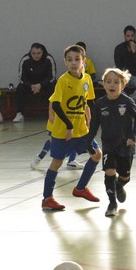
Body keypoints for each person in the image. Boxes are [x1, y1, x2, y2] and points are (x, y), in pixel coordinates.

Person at [41, 45, 102, 211]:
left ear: (84, 61)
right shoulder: (63, 81)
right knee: (57, 163)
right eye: (69, 60)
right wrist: (69, 125)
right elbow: (55, 104)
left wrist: (93, 120)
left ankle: (80, 188)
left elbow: (89, 102)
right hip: (63, 132)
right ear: (65, 62)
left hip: (81, 130)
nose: (73, 63)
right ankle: (47, 199)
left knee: (97, 154)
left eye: (77, 59)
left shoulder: (87, 79)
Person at [87, 68, 136, 217]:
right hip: (109, 145)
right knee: (109, 171)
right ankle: (112, 204)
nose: (112, 84)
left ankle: (119, 185)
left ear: (122, 86)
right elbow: (94, 125)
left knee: (125, 176)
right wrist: (88, 140)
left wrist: (132, 136)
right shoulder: (100, 104)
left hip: (125, 146)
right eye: (109, 81)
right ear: (104, 84)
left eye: (116, 82)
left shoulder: (127, 101)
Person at [30, 103, 84, 170]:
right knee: (51, 141)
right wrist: (58, 125)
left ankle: (71, 161)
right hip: (57, 124)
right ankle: (39, 158)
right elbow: (51, 116)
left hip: (70, 122)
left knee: (74, 140)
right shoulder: (56, 98)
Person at [13, 43, 56, 123]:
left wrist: (41, 85)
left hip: (45, 85)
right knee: (20, 88)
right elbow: (22, 78)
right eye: (34, 53)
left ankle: (54, 113)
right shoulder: (25, 60)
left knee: (54, 86)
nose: (36, 55)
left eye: (38, 53)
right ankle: (19, 113)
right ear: (30, 52)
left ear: (42, 52)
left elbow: (52, 77)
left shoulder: (49, 59)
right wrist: (31, 85)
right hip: (30, 86)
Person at [114, 25, 136, 102]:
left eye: (132, 36)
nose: (130, 38)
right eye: (128, 36)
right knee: (116, 84)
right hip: (124, 75)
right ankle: (126, 102)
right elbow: (118, 65)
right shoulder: (119, 48)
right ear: (124, 36)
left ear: (135, 36)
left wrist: (134, 52)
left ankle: (130, 101)